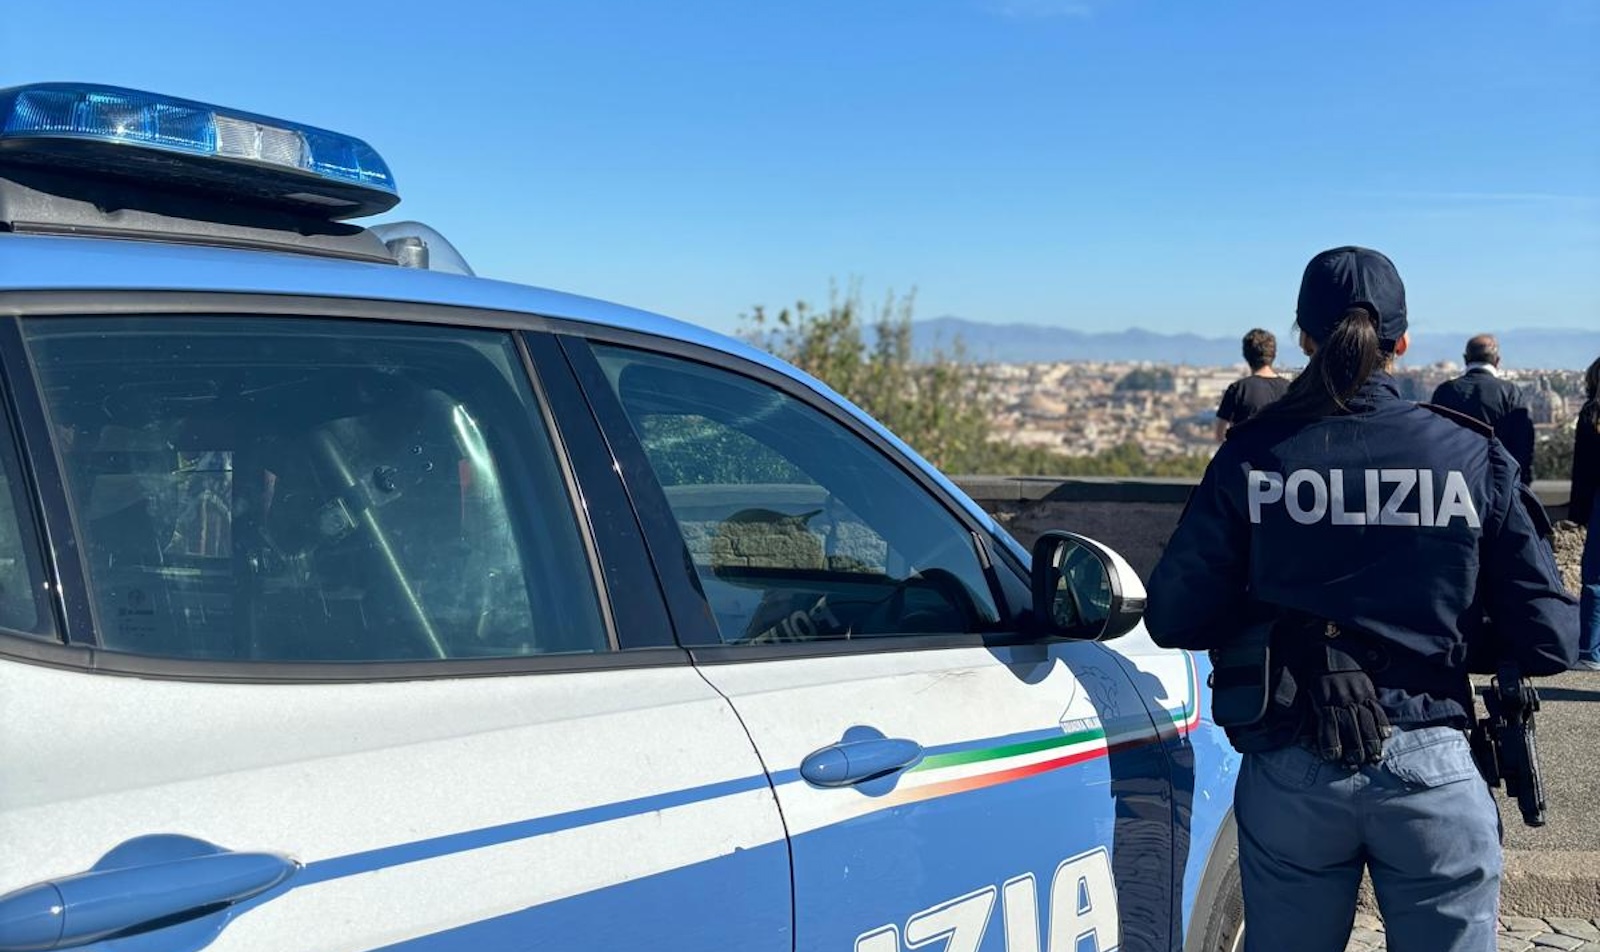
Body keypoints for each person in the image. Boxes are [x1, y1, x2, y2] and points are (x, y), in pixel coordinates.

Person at [1144, 246, 1578, 952]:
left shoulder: (1253, 456)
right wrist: (1439, 638)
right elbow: (1549, 639)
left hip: (1292, 756)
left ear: (1304, 338)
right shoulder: (1471, 455)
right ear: (1401, 343)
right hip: (1434, 755)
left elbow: (1174, 613)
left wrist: (1303, 637)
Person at [1430, 334, 1536, 484]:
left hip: (1454, 482)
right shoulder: (1510, 392)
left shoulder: (1444, 392)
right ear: (1497, 360)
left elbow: (1433, 440)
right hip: (1499, 482)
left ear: (1465, 359)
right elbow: (1523, 444)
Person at [1572, 356, 1600, 671]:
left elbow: (1583, 468)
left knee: (1595, 578)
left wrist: (1578, 510)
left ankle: (1591, 652)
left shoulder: (1592, 414)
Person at [1215, 328, 1290, 440]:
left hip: (1245, 450)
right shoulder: (1291, 389)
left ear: (1246, 356)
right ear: (1274, 354)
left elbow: (1220, 434)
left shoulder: (1238, 389)